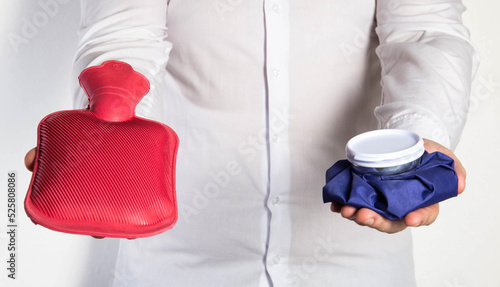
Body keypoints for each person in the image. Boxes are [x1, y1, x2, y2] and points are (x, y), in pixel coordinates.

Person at [25, 0, 477, 286]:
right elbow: (124, 35)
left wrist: (418, 139)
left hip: (357, 262)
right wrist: (108, 140)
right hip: (174, 261)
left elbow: (424, 30)